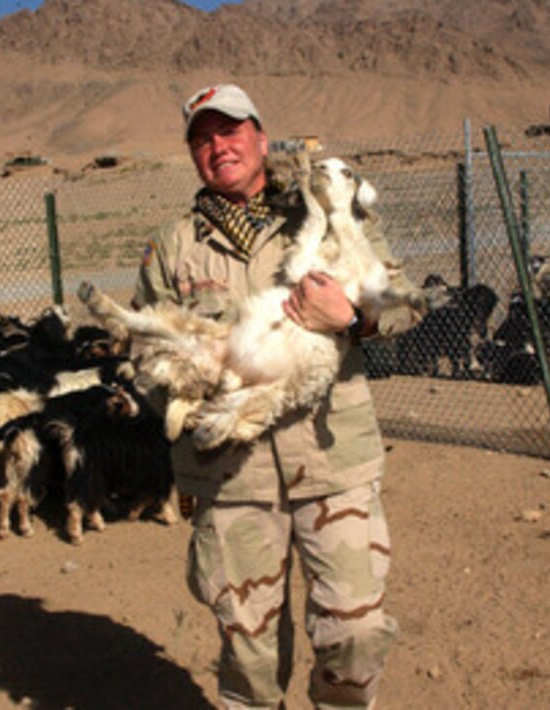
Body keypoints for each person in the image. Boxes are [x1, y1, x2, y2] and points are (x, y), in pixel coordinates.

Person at [131, 84, 412, 709]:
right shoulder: (172, 249)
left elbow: (401, 302)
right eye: (202, 138)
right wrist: (187, 392)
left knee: (357, 635)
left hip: (331, 462)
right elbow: (143, 356)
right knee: (250, 656)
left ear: (260, 137)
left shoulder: (323, 214)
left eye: (230, 131)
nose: (218, 146)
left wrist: (352, 315)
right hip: (231, 478)